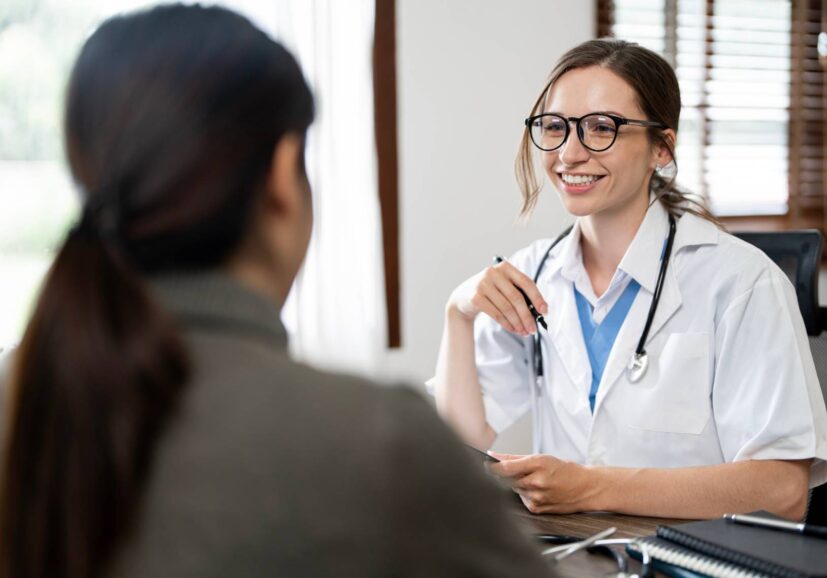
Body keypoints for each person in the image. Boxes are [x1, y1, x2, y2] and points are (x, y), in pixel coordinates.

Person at [0, 5, 556, 578]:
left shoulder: (22, 390)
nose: (573, 152)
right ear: (282, 172)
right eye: (556, 128)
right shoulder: (374, 442)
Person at [429, 39, 827, 521]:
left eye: (602, 128)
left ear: (661, 148)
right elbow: (459, 444)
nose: (570, 153)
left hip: (692, 559)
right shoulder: (535, 276)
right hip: (573, 554)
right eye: (556, 127)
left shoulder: (741, 282)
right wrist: (458, 312)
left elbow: (782, 491)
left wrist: (590, 488)